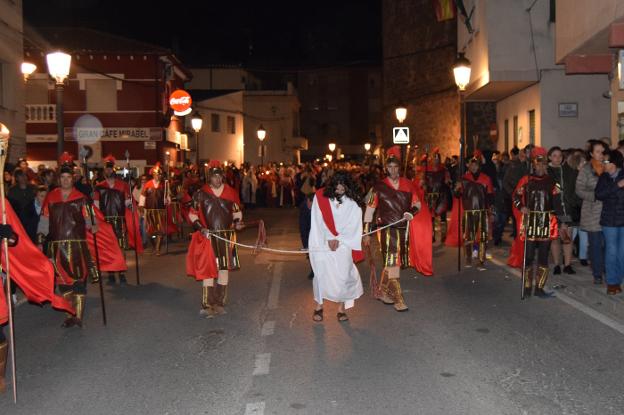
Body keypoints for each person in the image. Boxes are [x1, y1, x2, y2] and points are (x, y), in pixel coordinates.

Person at [36, 152, 98, 328]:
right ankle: (70, 314)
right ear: (59, 179)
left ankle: (77, 316)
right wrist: (40, 239)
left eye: (68, 177)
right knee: (63, 285)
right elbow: (44, 220)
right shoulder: (51, 196)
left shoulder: (81, 198)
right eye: (62, 177)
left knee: (79, 283)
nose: (65, 180)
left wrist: (93, 226)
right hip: (57, 247)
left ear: (73, 178)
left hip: (77, 246)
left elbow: (90, 219)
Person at [362, 146, 423, 312]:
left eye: (396, 167)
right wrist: (366, 232)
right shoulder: (378, 187)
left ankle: (383, 291)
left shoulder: (408, 185)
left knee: (394, 263)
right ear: (386, 169)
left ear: (399, 168)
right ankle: (399, 299)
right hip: (387, 230)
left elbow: (417, 204)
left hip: (403, 229)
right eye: (390, 167)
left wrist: (412, 212)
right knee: (393, 263)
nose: (393, 170)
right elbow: (369, 210)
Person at [187, 160, 243, 318]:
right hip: (209, 237)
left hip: (226, 236)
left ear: (223, 177)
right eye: (214, 177)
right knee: (208, 269)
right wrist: (201, 228)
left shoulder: (231, 192)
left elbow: (237, 212)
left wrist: (238, 223)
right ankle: (207, 303)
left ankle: (219, 302)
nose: (217, 179)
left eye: (219, 176)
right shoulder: (201, 193)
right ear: (209, 178)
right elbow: (192, 214)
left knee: (224, 268)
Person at [309, 171, 364, 322]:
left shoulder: (353, 203)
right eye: (337, 188)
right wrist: (328, 238)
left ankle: (341, 309)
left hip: (344, 244)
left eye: (342, 189)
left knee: (343, 275)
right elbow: (317, 220)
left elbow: (354, 224)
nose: (339, 191)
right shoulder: (320, 197)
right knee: (321, 274)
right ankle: (319, 306)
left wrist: (339, 239)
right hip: (323, 242)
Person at [513, 147, 563, 298]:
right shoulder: (526, 181)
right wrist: (521, 207)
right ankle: (527, 286)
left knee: (543, 256)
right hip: (531, 221)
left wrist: (561, 222)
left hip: (546, 223)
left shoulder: (553, 182)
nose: (540, 166)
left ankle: (540, 287)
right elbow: (515, 196)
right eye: (538, 163)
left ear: (546, 165)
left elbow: (557, 203)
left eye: (543, 163)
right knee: (528, 256)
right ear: (533, 164)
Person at [93, 155, 131, 285]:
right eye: (106, 169)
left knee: (120, 247)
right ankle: (110, 273)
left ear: (113, 170)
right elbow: (96, 205)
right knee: (107, 248)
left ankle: (120, 273)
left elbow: (127, 202)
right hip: (105, 222)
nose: (108, 171)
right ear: (103, 171)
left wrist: (131, 204)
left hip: (119, 220)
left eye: (110, 168)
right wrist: (96, 221)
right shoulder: (99, 186)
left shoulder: (123, 185)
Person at [454, 153, 494, 269]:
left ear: (479, 166)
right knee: (468, 236)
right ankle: (468, 258)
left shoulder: (486, 179)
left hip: (482, 211)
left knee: (483, 236)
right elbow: (457, 195)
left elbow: (490, 196)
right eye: (471, 165)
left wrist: (491, 210)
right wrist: (456, 189)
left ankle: (481, 260)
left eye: (475, 165)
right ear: (468, 166)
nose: (473, 167)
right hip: (469, 212)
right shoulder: (464, 179)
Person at [576, 140, 608, 284]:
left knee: (608, 244)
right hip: (592, 212)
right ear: (591, 153)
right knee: (595, 244)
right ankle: (597, 274)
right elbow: (579, 190)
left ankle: (608, 269)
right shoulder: (586, 169)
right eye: (597, 151)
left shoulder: (610, 167)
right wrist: (595, 196)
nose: (601, 154)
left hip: (609, 212)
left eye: (603, 151)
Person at [547, 147, 581, 275]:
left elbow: (574, 187)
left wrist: (572, 201)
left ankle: (567, 264)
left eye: (560, 156)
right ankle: (557, 264)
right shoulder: (546, 171)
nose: (558, 158)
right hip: (552, 209)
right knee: (555, 238)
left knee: (567, 238)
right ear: (549, 157)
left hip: (567, 209)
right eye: (554, 155)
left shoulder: (568, 170)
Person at [595, 150, 624, 294]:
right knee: (611, 251)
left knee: (622, 252)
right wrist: (617, 186)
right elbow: (599, 194)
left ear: (614, 163)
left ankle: (619, 278)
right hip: (609, 221)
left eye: (605, 161)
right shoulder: (604, 178)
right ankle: (612, 282)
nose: (603, 164)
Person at [139, 163, 168, 256]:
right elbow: (143, 196)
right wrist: (141, 206)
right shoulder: (147, 184)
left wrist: (168, 200)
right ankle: (155, 245)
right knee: (149, 231)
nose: (158, 176)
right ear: (153, 174)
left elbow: (167, 196)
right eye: (157, 174)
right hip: (150, 211)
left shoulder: (164, 185)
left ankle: (158, 249)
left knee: (160, 231)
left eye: (160, 174)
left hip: (161, 211)